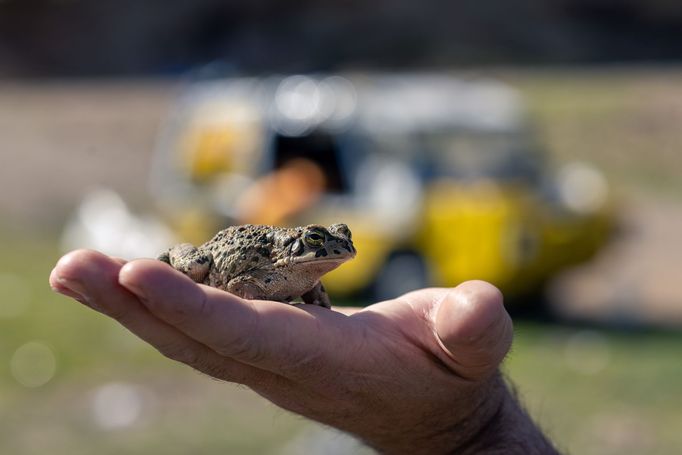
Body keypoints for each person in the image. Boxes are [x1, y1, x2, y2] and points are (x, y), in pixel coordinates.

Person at [50, 249, 559, 454]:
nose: (336, 251)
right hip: (223, 259)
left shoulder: (307, 276)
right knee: (191, 267)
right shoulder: (277, 265)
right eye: (322, 243)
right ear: (299, 247)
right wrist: (465, 430)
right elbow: (245, 281)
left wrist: (466, 428)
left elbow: (311, 295)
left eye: (341, 244)